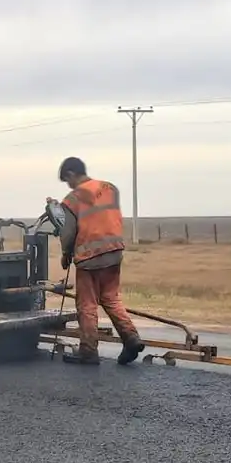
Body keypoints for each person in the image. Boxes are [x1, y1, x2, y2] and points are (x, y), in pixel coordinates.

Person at [54, 156, 147, 366]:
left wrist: (66, 254)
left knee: (87, 304)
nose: (68, 185)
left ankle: (88, 352)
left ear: (70, 174)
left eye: (67, 180)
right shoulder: (110, 188)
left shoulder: (72, 198)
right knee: (111, 298)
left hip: (90, 257)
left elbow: (68, 233)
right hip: (114, 252)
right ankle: (131, 338)